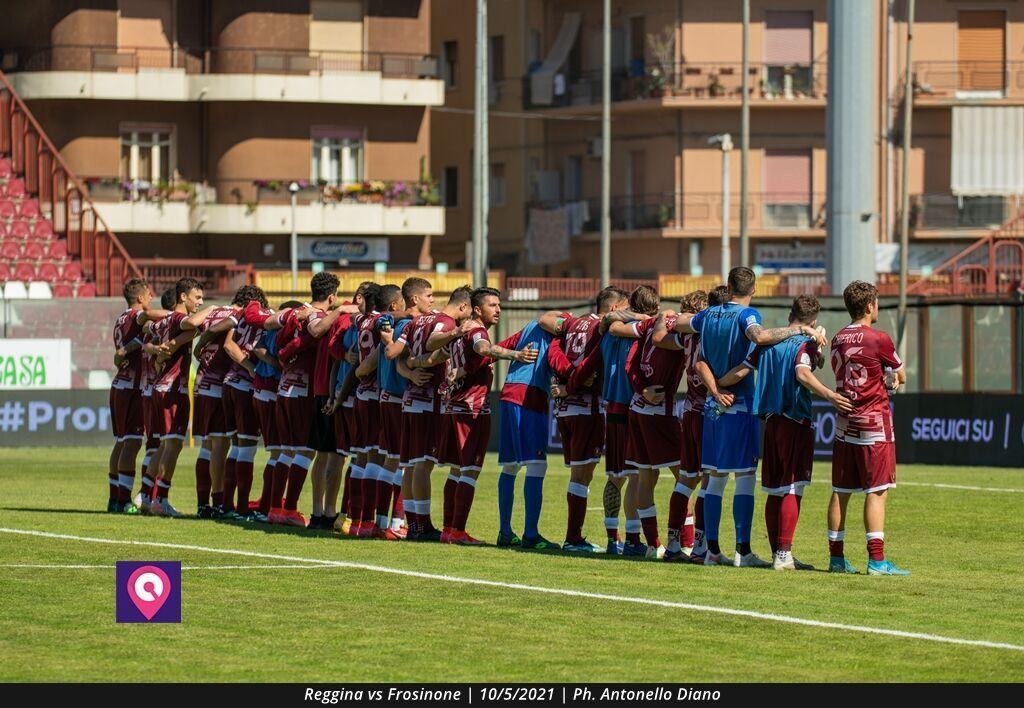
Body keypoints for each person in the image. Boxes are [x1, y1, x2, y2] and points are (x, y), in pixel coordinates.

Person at [672, 267, 826, 566]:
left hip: (712, 406)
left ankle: (712, 551)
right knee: (743, 477)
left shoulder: (708, 315)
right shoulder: (746, 316)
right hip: (738, 404)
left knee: (714, 478)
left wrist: (714, 390)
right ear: (753, 290)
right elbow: (762, 337)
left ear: (728, 287)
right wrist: (799, 329)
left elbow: (684, 332)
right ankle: (743, 551)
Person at [715, 295, 851, 570]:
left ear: (791, 315)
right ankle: (783, 554)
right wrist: (829, 395)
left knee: (774, 490)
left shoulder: (769, 343)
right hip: (793, 419)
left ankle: (779, 551)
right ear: (814, 321)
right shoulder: (804, 343)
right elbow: (802, 373)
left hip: (770, 421)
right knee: (792, 487)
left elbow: (741, 372)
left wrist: (716, 384)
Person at [828, 281, 909, 576]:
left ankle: (836, 559)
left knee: (840, 491)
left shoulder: (837, 338)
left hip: (843, 423)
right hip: (874, 423)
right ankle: (876, 561)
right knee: (876, 492)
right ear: (869, 306)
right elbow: (900, 373)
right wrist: (894, 381)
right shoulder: (879, 339)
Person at [443, 287, 536, 545]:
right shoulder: (477, 331)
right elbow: (483, 348)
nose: (498, 310)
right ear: (476, 309)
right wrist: (516, 355)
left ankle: (448, 528)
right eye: (492, 305)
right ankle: (458, 531)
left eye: (498, 305)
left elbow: (475, 360)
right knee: (470, 470)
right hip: (472, 408)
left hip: (456, 405)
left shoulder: (462, 331)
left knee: (456, 470)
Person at [608, 289, 694, 560]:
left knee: (645, 478)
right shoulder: (680, 330)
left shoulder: (646, 324)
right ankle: (686, 544)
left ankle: (650, 544)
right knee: (687, 478)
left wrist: (640, 388)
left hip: (637, 406)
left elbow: (621, 340)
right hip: (659, 413)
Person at [549, 286, 630, 553]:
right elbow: (591, 364)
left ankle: (575, 536)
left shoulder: (573, 323)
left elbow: (552, 344)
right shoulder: (601, 328)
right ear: (615, 308)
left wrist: (563, 380)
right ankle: (573, 538)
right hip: (586, 407)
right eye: (626, 308)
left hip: (565, 409)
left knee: (579, 474)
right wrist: (574, 382)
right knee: (582, 475)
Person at [397, 287, 471, 540]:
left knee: (411, 465)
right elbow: (433, 342)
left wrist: (411, 368)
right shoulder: (446, 322)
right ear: (464, 307)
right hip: (428, 400)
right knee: (423, 463)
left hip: (411, 398)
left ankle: (414, 525)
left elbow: (401, 358)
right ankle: (423, 525)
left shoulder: (417, 321)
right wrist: (455, 333)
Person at [142, 277, 216, 517]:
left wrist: (162, 347)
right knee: (173, 445)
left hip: (160, 387)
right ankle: (161, 500)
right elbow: (193, 322)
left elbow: (146, 328)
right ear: (183, 297)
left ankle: (146, 497)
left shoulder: (163, 321)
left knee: (164, 445)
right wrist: (212, 309)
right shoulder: (177, 318)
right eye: (197, 297)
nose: (201, 302)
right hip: (173, 389)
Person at [493, 310, 563, 550]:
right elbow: (557, 361)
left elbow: (497, 348)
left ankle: (505, 532)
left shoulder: (527, 328)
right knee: (537, 464)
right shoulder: (557, 330)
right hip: (529, 397)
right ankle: (531, 535)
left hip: (508, 394)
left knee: (511, 465)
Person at [205, 285, 272, 520]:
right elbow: (247, 348)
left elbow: (227, 343)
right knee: (247, 448)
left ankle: (226, 505)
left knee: (235, 446)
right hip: (243, 388)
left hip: (228, 384)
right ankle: (242, 508)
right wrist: (252, 368)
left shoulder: (239, 317)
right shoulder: (262, 318)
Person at [190, 290, 248, 518]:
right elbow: (221, 338)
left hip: (202, 383)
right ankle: (218, 503)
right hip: (217, 387)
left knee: (207, 446)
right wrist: (198, 346)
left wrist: (199, 346)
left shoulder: (212, 312)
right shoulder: (236, 314)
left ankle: (203, 504)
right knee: (220, 445)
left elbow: (206, 328)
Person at [108, 278, 159, 513]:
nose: (151, 298)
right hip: (133, 388)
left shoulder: (120, 318)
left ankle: (114, 499)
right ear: (140, 298)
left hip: (120, 385)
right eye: (149, 294)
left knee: (121, 442)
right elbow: (147, 318)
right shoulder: (136, 316)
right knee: (131, 443)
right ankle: (124, 500)